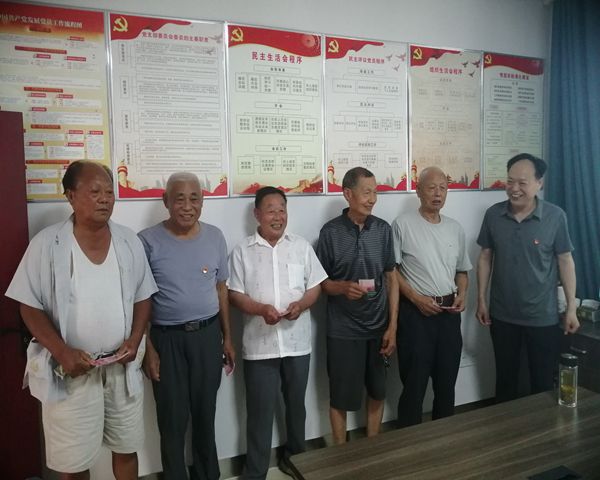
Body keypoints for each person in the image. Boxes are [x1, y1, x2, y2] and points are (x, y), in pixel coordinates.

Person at [5, 160, 157, 479]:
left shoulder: (128, 241)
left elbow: (143, 295)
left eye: (109, 192)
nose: (104, 199)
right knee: (74, 464)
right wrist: (61, 351)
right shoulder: (47, 244)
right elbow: (28, 306)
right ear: (71, 196)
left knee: (126, 448)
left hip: (120, 367)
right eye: (95, 192)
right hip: (70, 370)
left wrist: (135, 339)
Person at [139, 172, 234, 480]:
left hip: (207, 337)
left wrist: (227, 338)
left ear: (202, 202)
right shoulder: (147, 241)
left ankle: (208, 475)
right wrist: (147, 348)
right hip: (167, 341)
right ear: (166, 201)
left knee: (206, 416)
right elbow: (137, 300)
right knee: (172, 421)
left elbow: (221, 289)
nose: (187, 206)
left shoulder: (215, 236)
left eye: (194, 198)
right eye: (179, 199)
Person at [228, 186, 327, 480]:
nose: (277, 216)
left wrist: (301, 305)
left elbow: (315, 286)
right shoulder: (242, 251)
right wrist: (261, 309)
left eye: (282, 210)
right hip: (260, 346)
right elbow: (234, 294)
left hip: (297, 344)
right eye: (270, 210)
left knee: (296, 407)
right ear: (257, 214)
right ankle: (255, 472)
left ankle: (296, 461)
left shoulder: (301, 247)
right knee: (259, 412)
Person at [476, 153, 579, 403]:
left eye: (522, 182)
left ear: (539, 183)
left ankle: (541, 427)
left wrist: (571, 308)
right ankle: (507, 425)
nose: (514, 188)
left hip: (542, 316)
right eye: (510, 181)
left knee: (541, 383)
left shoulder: (555, 217)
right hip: (503, 314)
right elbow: (485, 257)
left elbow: (565, 261)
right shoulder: (493, 215)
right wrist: (481, 299)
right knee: (505, 381)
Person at [316, 167, 399, 444]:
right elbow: (320, 283)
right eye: (366, 193)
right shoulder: (330, 232)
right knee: (340, 396)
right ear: (348, 194)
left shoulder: (383, 230)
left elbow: (391, 278)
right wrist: (341, 287)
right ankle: (341, 453)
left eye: (375, 192)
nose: (372, 199)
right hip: (343, 331)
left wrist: (392, 327)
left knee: (377, 391)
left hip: (377, 328)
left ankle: (372, 448)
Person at [392, 166, 471, 427]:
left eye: (443, 188)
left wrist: (463, 294)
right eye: (431, 188)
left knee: (446, 384)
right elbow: (391, 272)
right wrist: (416, 298)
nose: (438, 194)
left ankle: (443, 440)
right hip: (416, 316)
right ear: (418, 191)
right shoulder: (402, 224)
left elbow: (462, 271)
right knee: (413, 386)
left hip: (448, 316)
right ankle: (409, 442)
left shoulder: (455, 228)